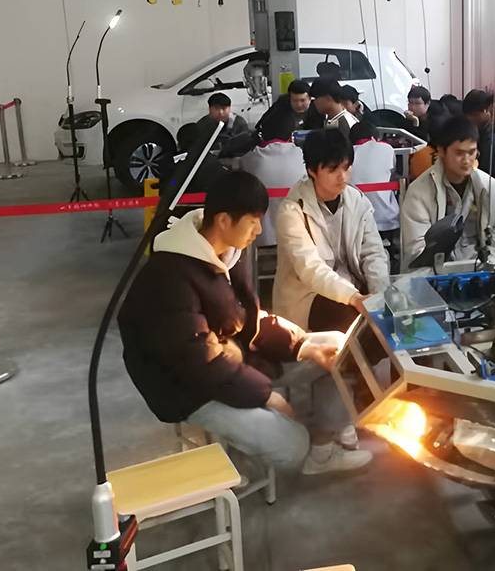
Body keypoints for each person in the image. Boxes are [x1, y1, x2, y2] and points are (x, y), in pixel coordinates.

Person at [118, 171, 372, 476]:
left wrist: (300, 344)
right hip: (189, 388)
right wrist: (266, 395)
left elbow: (247, 318)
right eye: (252, 222)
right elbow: (198, 364)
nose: (259, 231)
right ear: (224, 220)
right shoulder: (171, 277)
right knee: (292, 445)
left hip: (232, 361)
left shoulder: (228, 254)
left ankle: (322, 449)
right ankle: (250, 447)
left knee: (338, 348)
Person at [273, 128, 390, 332]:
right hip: (308, 295)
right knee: (354, 323)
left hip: (353, 287)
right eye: (333, 170)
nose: (342, 177)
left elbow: (373, 252)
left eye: (346, 167)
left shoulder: (357, 200)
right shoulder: (292, 211)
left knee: (389, 319)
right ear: (312, 171)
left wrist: (380, 296)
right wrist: (354, 298)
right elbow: (310, 268)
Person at [401, 116, 495, 266]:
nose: (466, 160)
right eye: (459, 153)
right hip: (435, 271)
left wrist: (493, 266)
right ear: (441, 151)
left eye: (471, 152)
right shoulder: (418, 192)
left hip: (482, 269)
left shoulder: (490, 188)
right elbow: (417, 250)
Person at [240, 115, 306, 247]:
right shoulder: (302, 155)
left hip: (262, 238)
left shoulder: (251, 158)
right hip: (297, 238)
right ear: (291, 135)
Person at [349, 121, 399, 234]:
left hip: (356, 221)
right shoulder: (387, 148)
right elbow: (392, 172)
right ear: (373, 137)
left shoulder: (349, 153)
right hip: (388, 219)